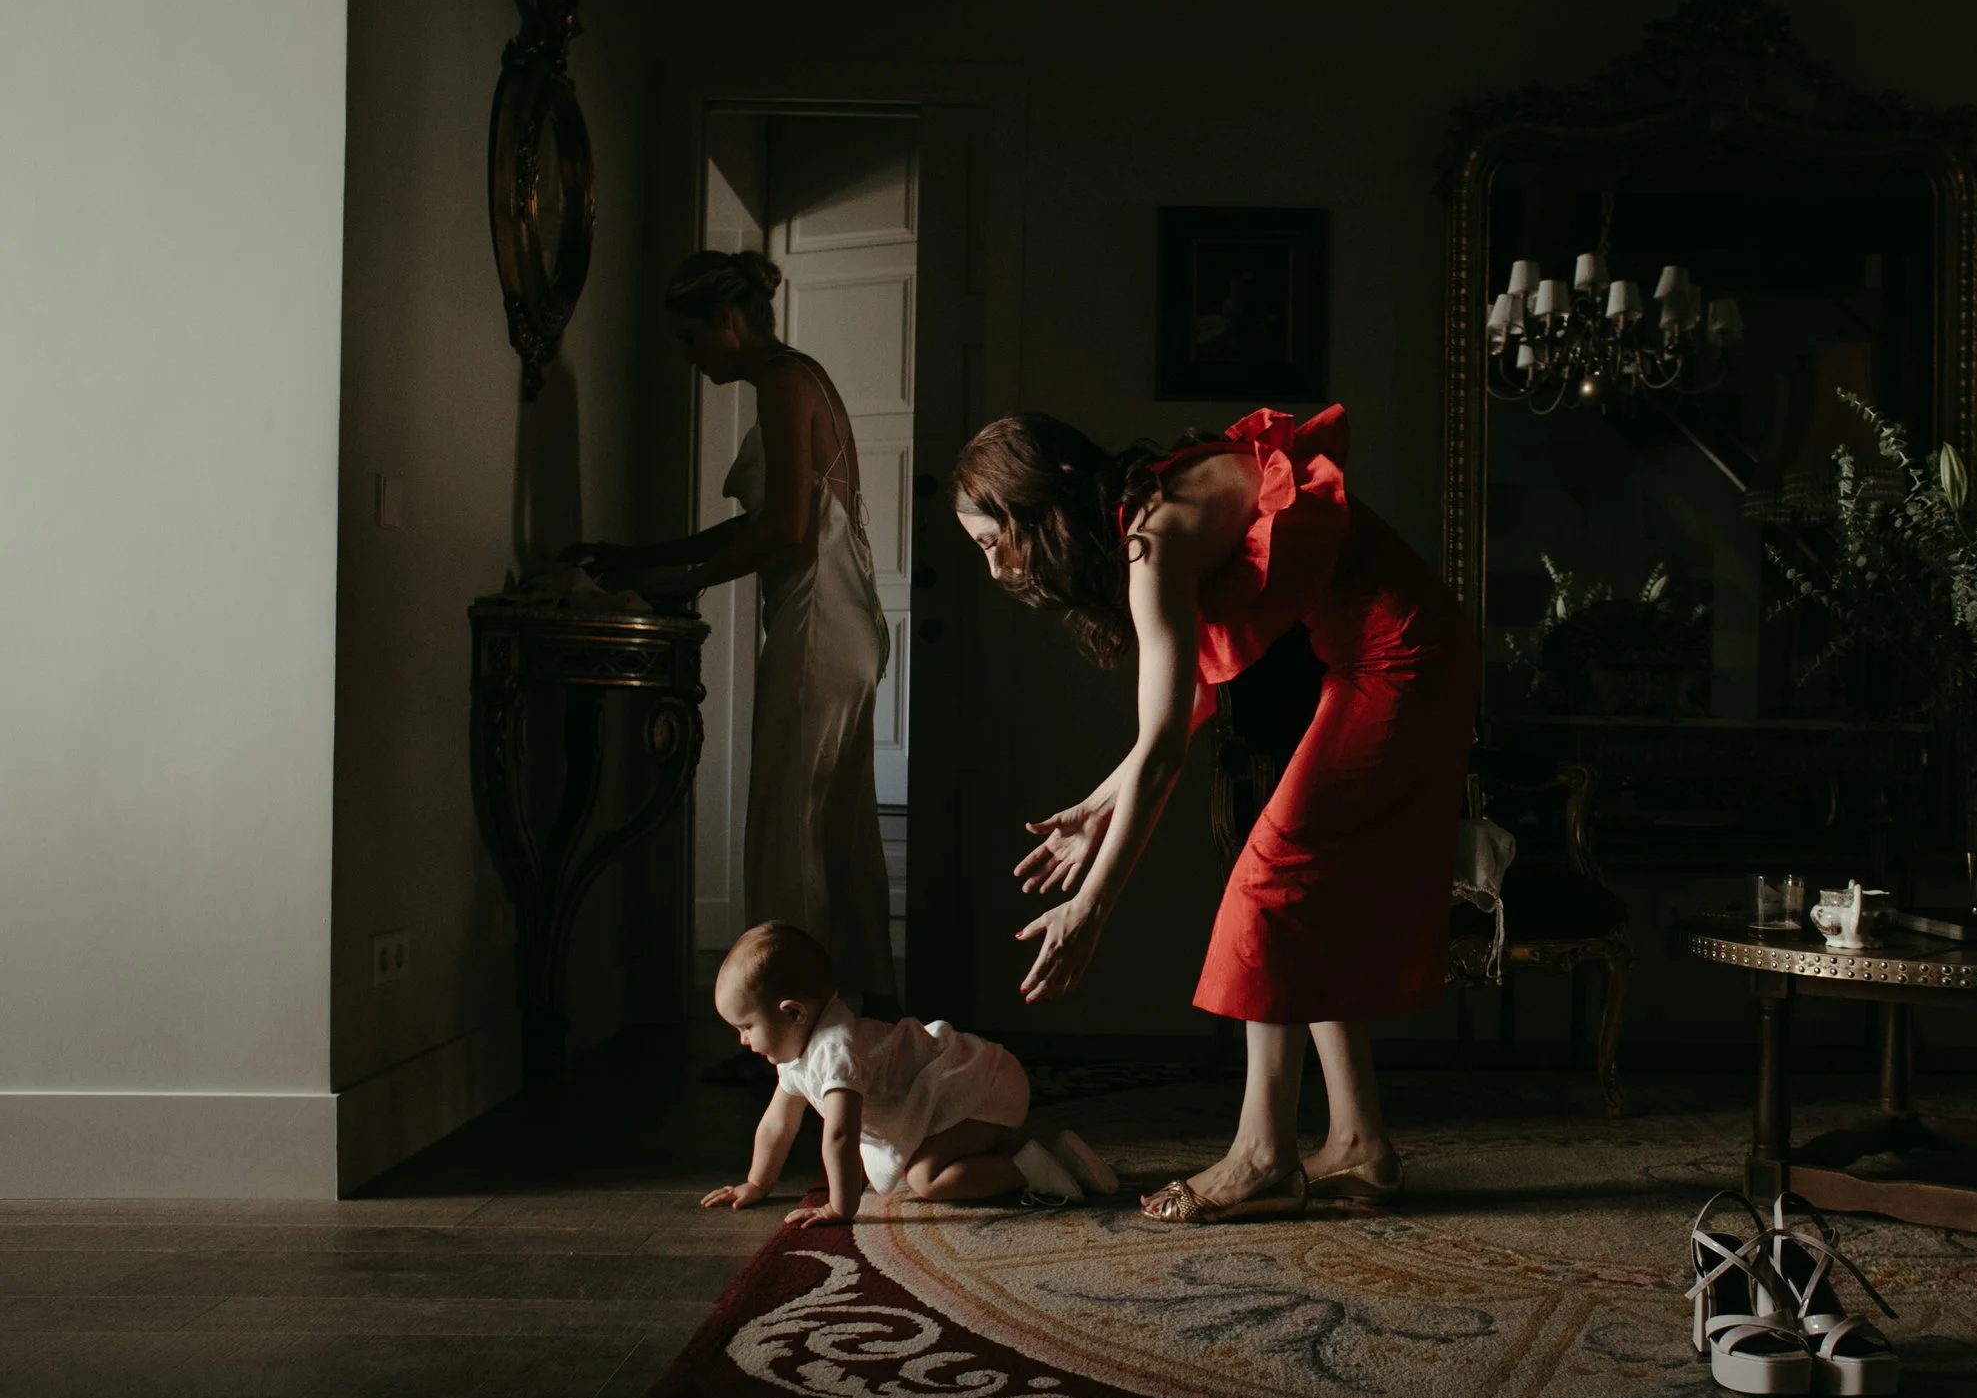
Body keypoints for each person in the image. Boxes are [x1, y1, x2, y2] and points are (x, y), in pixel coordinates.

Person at [951, 406, 1477, 1224]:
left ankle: (1265, 1156)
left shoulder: (1151, 541)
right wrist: (1099, 803)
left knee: (1272, 879)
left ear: (1033, 506)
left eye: (990, 543)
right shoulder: (1151, 506)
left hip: (1403, 659)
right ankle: (1360, 1145)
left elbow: (1163, 748)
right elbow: (1188, 698)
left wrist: (1090, 908)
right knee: (1310, 889)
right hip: (1384, 654)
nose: (992, 569)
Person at [571, 250, 896, 1021]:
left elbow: (783, 529)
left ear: (728, 320)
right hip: (841, 620)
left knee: (790, 825)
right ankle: (862, 1020)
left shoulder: (785, 381)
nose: (691, 358)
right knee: (835, 828)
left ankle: (793, 1030)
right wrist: (646, 558)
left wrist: (680, 584)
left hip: (820, 619)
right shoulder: (796, 377)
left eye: (691, 339)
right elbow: (765, 520)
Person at [700, 922, 1115, 1223]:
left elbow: (841, 1135)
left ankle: (1038, 1165)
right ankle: (1032, 1152)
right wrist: (756, 1183)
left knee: (927, 1178)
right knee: (924, 1167)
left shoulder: (837, 1051)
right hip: (943, 1101)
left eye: (746, 1028)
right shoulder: (798, 1053)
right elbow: (778, 1124)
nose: (743, 1041)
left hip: (976, 1087)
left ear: (793, 1013)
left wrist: (840, 1208)